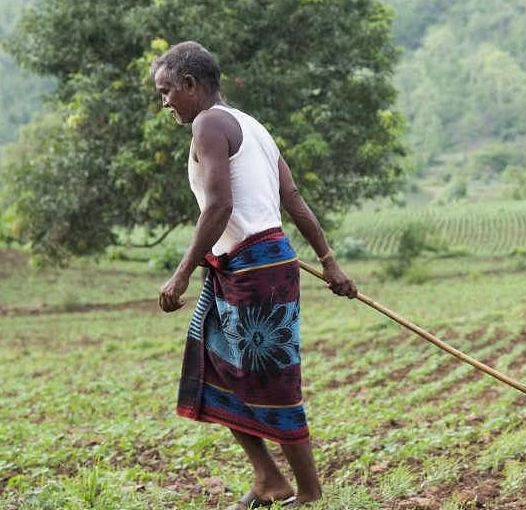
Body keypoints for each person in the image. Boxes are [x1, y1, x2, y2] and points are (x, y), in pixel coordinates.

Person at [152, 41, 356, 508]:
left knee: (271, 379)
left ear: (190, 84)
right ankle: (269, 479)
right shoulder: (251, 125)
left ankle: (309, 492)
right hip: (246, 265)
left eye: (167, 91)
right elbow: (294, 198)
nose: (164, 102)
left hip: (255, 269)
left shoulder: (209, 123)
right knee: (213, 367)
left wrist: (181, 274)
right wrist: (328, 262)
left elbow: (220, 205)